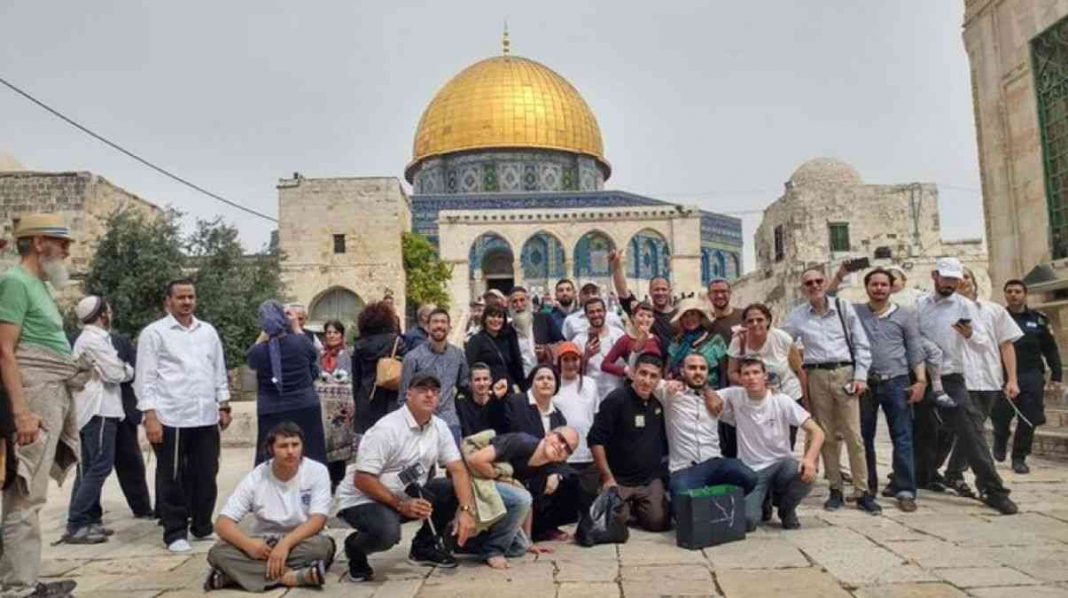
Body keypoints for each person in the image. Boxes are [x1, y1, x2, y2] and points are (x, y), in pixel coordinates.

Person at [0, 214, 84, 598]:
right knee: (24, 496)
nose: (66, 250)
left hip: (48, 396)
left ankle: (26, 580)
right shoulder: (14, 282)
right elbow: (5, 350)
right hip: (33, 399)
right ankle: (19, 588)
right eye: (60, 242)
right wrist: (21, 412)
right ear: (38, 243)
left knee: (32, 497)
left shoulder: (37, 286)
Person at [334, 373, 478, 582]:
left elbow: (457, 469)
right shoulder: (386, 429)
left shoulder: (440, 427)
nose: (429, 395)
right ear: (408, 394)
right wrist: (401, 505)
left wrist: (466, 511)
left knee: (450, 489)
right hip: (362, 499)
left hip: (405, 494)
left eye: (434, 391)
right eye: (422, 389)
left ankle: (423, 548)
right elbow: (362, 479)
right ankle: (355, 548)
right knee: (388, 532)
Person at [914, 257, 1017, 514]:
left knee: (971, 431)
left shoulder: (965, 306)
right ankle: (914, 477)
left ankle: (993, 489)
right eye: (945, 278)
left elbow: (984, 341)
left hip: (951, 376)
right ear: (934, 275)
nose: (949, 284)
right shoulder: (918, 305)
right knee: (919, 430)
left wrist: (970, 334)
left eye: (954, 279)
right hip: (919, 375)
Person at [136, 279, 233, 552]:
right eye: (180, 297)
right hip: (171, 416)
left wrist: (223, 405)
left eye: (191, 297)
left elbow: (217, 369)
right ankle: (175, 531)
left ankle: (202, 525)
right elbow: (146, 378)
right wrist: (150, 415)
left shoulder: (208, 332)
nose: (187, 302)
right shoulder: (154, 333)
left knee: (206, 473)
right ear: (168, 301)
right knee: (172, 476)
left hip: (204, 415)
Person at [782, 267, 880, 514]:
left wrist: (860, 376)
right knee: (824, 434)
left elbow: (861, 345)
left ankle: (862, 491)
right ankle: (835, 488)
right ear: (803, 288)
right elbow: (782, 342)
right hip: (815, 375)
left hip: (844, 373)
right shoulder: (798, 316)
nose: (814, 286)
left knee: (853, 435)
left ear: (825, 283)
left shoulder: (844, 309)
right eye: (808, 283)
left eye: (818, 281)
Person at [205, 422, 334, 592]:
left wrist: (286, 544)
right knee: (218, 552)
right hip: (263, 544)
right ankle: (291, 576)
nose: (290, 451)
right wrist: (248, 545)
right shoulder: (257, 476)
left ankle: (234, 576)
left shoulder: (317, 471)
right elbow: (222, 523)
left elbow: (318, 520)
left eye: (295, 445)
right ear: (271, 449)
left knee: (321, 547)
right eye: (283, 446)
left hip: (300, 541)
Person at [714, 357, 826, 530]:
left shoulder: (781, 401)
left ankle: (786, 510)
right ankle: (763, 499)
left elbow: (817, 431)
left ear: (765, 376)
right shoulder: (735, 396)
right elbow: (707, 395)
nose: (751, 378)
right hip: (752, 470)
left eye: (756, 373)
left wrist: (809, 459)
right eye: (746, 374)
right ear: (740, 378)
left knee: (806, 475)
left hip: (781, 465)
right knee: (748, 522)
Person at [851, 269, 927, 512]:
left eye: (884, 284)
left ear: (891, 287)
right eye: (874, 284)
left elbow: (915, 349)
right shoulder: (855, 313)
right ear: (867, 287)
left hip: (897, 381)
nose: (879, 289)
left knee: (902, 437)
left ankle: (905, 489)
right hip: (865, 383)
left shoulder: (904, 315)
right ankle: (867, 487)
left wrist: (921, 381)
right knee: (864, 437)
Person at [941, 267, 1022, 495]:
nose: (962, 281)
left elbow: (1006, 345)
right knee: (972, 429)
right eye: (956, 277)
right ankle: (961, 475)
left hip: (988, 378)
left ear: (973, 280)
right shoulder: (943, 312)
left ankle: (951, 472)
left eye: (966, 276)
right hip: (960, 380)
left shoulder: (993, 311)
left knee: (973, 431)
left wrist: (1012, 379)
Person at [64, 296, 135, 544]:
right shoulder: (95, 340)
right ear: (102, 314)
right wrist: (126, 369)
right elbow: (117, 373)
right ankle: (76, 521)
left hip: (90, 411)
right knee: (100, 466)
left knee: (89, 466)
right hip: (100, 409)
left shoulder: (90, 338)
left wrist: (115, 369)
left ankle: (89, 519)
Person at [463, 428, 579, 566]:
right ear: (548, 434)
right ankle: (493, 551)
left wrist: (528, 542)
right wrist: (501, 477)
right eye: (561, 439)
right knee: (520, 498)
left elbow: (527, 501)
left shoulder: (547, 466)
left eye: (568, 449)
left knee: (519, 548)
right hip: (470, 477)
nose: (561, 447)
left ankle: (465, 543)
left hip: (497, 489)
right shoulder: (523, 442)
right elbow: (475, 460)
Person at [588, 353, 671, 532]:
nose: (647, 380)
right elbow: (595, 440)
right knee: (613, 523)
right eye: (643, 373)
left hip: (648, 480)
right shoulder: (616, 400)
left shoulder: (659, 403)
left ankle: (639, 507)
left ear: (659, 380)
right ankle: (627, 508)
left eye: (653, 376)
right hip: (619, 479)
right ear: (633, 373)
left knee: (659, 522)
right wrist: (607, 478)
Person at [658, 354, 757, 499]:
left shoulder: (718, 398)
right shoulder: (670, 394)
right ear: (682, 371)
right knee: (681, 498)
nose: (698, 372)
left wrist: (771, 389)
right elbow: (644, 377)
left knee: (748, 476)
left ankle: (722, 503)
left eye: (702, 368)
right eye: (692, 368)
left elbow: (753, 390)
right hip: (684, 468)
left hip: (715, 463)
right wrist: (669, 383)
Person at [503, 365, 579, 541]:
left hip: (544, 467)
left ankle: (547, 527)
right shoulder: (516, 402)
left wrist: (555, 473)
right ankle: (526, 531)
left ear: (556, 385)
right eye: (540, 378)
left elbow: (562, 451)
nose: (545, 381)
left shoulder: (558, 416)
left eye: (550, 378)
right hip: (517, 465)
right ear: (532, 382)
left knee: (571, 478)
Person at [246, 301, 326, 466]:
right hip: (304, 404)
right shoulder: (301, 343)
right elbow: (314, 355)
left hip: (271, 408)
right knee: (310, 452)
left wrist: (265, 332)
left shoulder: (258, 352)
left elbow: (251, 360)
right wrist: (296, 327)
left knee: (272, 453)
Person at [997, 279, 1062, 473]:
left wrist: (1056, 375)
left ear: (1025, 294)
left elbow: (1050, 348)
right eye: (1009, 291)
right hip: (1001, 375)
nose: (1013, 295)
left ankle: (1019, 457)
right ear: (1005, 294)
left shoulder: (1038, 319)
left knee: (1029, 417)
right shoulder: (998, 318)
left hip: (1031, 374)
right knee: (1000, 416)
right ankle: (1000, 438)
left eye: (1018, 291)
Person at [726, 303, 805, 445]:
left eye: (759, 319)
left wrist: (806, 402)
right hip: (757, 401)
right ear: (744, 323)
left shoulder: (782, 338)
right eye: (750, 321)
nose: (755, 324)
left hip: (787, 395)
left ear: (768, 320)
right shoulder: (739, 341)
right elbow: (731, 373)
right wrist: (753, 382)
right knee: (762, 443)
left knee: (786, 443)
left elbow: (799, 370)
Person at [399, 308, 469, 444]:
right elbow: (403, 396)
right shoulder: (412, 358)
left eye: (443, 322)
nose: (439, 326)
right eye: (435, 322)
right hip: (421, 422)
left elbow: (464, 384)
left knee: (452, 463)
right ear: (427, 326)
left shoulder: (458, 355)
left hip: (449, 421)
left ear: (449, 327)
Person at [107, 329, 154, 520]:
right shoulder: (80, 340)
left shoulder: (120, 341)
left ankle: (142, 507)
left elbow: (134, 372)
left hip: (124, 411)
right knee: (94, 466)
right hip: (95, 413)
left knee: (131, 461)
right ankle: (86, 512)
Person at [351, 301, 407, 434]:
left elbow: (356, 380)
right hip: (391, 401)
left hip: (366, 399)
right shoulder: (396, 342)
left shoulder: (359, 346)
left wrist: (358, 402)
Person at [609, 249, 677, 350]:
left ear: (669, 291)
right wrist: (616, 266)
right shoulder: (643, 312)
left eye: (664, 289)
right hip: (649, 362)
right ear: (650, 291)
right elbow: (623, 293)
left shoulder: (679, 316)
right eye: (656, 289)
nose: (660, 293)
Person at [573, 298, 626, 403]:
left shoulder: (619, 334)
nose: (596, 315)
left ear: (605, 312)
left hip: (617, 393)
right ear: (586, 315)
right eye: (591, 312)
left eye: (599, 311)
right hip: (592, 397)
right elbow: (574, 373)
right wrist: (586, 357)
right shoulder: (578, 340)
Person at [666, 298, 728, 386]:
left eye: (693, 314)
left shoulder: (715, 340)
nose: (689, 319)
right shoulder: (676, 342)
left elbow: (723, 373)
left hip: (711, 392)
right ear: (681, 320)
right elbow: (668, 370)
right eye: (685, 316)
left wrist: (721, 396)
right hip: (682, 394)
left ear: (700, 316)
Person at [465, 305, 526, 392]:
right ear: (485, 319)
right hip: (487, 391)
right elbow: (469, 367)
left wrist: (517, 385)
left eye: (499, 316)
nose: (496, 320)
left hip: (508, 389)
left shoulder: (507, 340)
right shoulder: (476, 340)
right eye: (492, 316)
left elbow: (515, 366)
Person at [602, 301, 662, 383]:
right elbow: (605, 365)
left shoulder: (655, 339)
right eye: (641, 315)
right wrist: (626, 370)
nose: (645, 319)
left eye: (649, 316)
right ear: (633, 318)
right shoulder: (625, 340)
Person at [509, 286, 563, 371]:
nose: (519, 305)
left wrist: (545, 351)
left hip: (544, 374)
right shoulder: (508, 328)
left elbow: (562, 343)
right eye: (514, 301)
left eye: (522, 300)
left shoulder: (544, 319)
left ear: (529, 301)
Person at [456, 363, 509, 438]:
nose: (482, 383)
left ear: (491, 381)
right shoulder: (462, 404)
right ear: (470, 383)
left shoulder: (498, 401)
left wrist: (494, 398)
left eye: (485, 379)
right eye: (477, 380)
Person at [561, 283, 625, 340]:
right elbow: (565, 344)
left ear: (599, 295)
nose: (590, 296)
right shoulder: (570, 320)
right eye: (586, 293)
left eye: (594, 292)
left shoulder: (613, 317)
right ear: (580, 296)